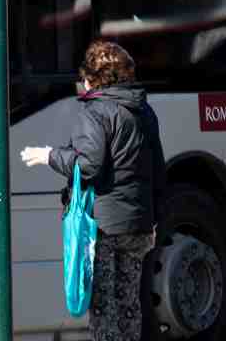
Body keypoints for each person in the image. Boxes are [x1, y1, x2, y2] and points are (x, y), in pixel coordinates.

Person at [20, 40, 166, 341]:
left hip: (104, 226)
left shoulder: (95, 112)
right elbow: (158, 170)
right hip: (138, 225)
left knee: (103, 307)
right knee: (128, 304)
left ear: (94, 79)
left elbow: (88, 166)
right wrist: (153, 218)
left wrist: (49, 155)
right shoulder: (143, 110)